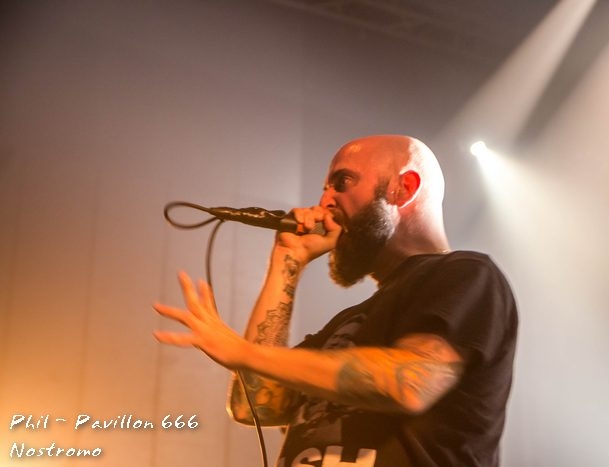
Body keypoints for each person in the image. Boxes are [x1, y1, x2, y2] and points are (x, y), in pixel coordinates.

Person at [153, 135, 518, 466]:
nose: (324, 201)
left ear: (403, 188)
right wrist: (287, 261)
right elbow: (256, 406)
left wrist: (243, 352)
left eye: (342, 182)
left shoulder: (468, 275)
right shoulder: (347, 322)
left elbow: (408, 384)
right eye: (325, 188)